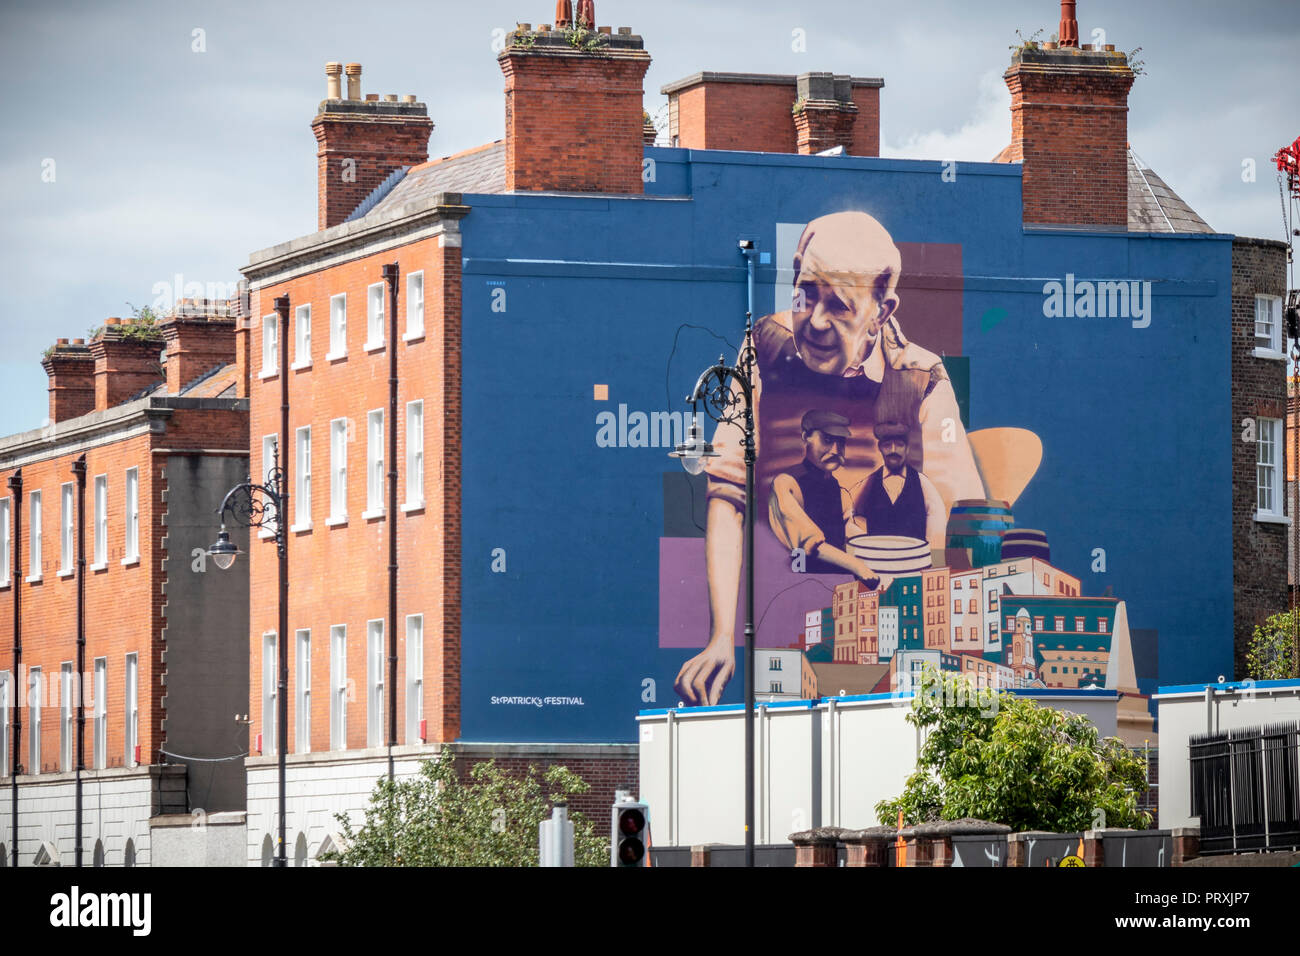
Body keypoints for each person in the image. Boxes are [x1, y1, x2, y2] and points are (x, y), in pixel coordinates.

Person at [673, 211, 983, 706]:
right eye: (805, 293)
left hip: (891, 628)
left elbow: (966, 520)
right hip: (783, 621)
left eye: (839, 306)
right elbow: (726, 493)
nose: (814, 321)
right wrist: (720, 639)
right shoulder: (763, 351)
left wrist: (939, 642)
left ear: (881, 313)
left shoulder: (921, 378)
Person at [768, 409, 881, 580]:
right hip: (798, 581)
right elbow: (810, 542)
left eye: (840, 442)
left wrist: (878, 546)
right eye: (827, 440)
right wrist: (857, 566)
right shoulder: (786, 484)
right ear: (806, 437)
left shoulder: (837, 488)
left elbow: (846, 529)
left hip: (836, 580)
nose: (836, 450)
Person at [852, 419, 947, 550]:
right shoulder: (868, 483)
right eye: (887, 445)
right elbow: (845, 512)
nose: (893, 450)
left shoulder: (923, 483)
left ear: (907, 448)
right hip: (878, 562)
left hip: (913, 563)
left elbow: (937, 527)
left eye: (899, 445)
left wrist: (935, 564)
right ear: (880, 448)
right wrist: (862, 540)